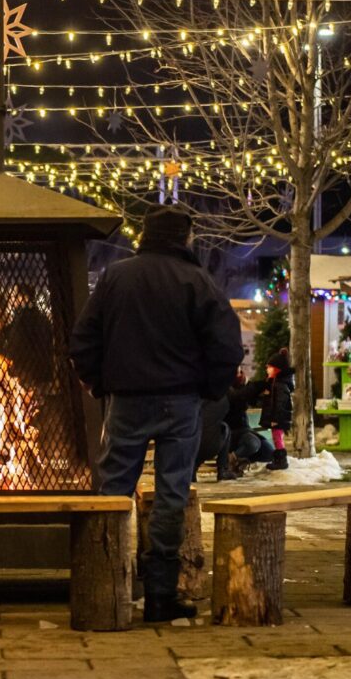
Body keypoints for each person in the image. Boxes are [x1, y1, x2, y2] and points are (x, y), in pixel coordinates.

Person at [69, 204, 243, 623]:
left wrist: (98, 382)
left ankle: (107, 584)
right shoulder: (196, 280)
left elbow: (83, 338)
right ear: (184, 238)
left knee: (113, 491)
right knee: (171, 494)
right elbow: (226, 344)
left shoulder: (116, 276)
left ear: (144, 235)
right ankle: (161, 594)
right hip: (181, 400)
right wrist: (210, 390)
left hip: (126, 398)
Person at [0, 282, 55, 388]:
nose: (12, 299)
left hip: (27, 378)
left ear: (23, 297)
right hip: (45, 375)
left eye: (14, 296)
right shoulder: (43, 318)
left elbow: (13, 350)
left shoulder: (21, 320)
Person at [258, 349, 295, 471]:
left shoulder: (280, 386)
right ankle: (279, 459)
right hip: (277, 418)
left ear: (277, 369)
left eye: (269, 367)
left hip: (278, 419)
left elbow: (280, 404)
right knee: (276, 437)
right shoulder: (275, 383)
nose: (267, 370)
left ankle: (281, 460)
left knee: (277, 437)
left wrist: (275, 419)